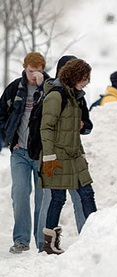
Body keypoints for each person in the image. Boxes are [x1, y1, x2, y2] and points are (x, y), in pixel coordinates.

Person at [39, 58, 97, 254]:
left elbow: (74, 131)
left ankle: (96, 236)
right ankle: (49, 244)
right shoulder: (56, 96)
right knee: (57, 198)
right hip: (57, 155)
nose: (87, 82)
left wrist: (81, 153)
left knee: (87, 194)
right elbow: (45, 128)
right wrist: (49, 157)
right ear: (74, 76)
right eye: (85, 77)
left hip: (74, 155)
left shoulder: (75, 97)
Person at [0, 52, 48, 254]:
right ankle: (21, 240)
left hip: (42, 153)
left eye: (37, 71)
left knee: (42, 198)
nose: (33, 75)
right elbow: (1, 114)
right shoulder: (14, 88)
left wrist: (44, 85)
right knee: (19, 194)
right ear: (24, 68)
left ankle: (41, 241)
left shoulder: (50, 89)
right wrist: (10, 140)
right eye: (30, 71)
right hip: (19, 152)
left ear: (43, 70)